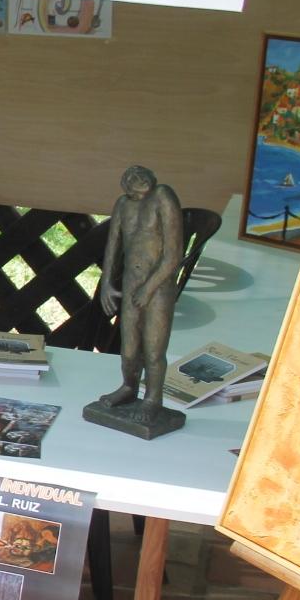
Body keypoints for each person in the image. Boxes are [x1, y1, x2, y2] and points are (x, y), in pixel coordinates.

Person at [96, 165, 183, 418]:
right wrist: (106, 284)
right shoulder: (123, 204)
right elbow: (113, 245)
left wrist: (149, 288)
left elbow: (173, 254)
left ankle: (153, 398)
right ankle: (128, 387)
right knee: (129, 349)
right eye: (132, 176)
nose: (139, 178)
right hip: (131, 283)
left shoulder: (163, 196)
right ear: (125, 186)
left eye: (142, 173)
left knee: (154, 349)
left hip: (159, 285)